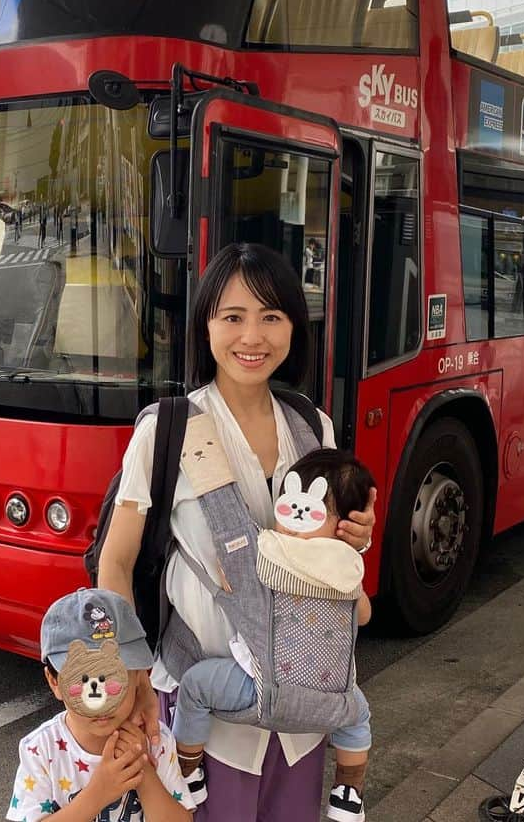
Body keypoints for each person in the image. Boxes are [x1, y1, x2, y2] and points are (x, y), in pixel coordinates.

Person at [98, 242, 376, 819]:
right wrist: (131, 678)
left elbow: (327, 544)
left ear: (294, 328)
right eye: (233, 317)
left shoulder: (311, 424)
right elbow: (117, 563)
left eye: (271, 317)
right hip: (205, 706)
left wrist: (357, 533)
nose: (253, 337)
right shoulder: (168, 430)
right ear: (206, 327)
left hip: (301, 710)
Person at [171, 448, 377, 821]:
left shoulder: (270, 548)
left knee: (195, 687)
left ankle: (189, 770)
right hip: (332, 691)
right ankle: (348, 791)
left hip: (259, 683)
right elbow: (362, 616)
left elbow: (226, 573)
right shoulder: (347, 567)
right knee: (358, 715)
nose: (293, 516)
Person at [7, 587, 197, 821]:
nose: (101, 702)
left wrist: (144, 772)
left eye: (114, 680)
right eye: (83, 680)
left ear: (138, 676)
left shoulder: (155, 741)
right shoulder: (41, 749)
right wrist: (98, 794)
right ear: (54, 681)